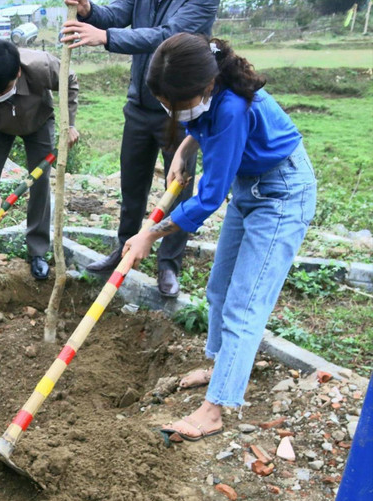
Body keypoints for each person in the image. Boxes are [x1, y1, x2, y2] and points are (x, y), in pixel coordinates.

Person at [122, 33, 316, 442]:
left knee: (245, 304)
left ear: (205, 87)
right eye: (167, 105)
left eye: (179, 104)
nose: (175, 112)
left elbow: (209, 198)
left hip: (282, 195)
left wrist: (149, 234)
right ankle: (220, 366)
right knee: (219, 288)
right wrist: (184, 149)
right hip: (251, 187)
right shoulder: (212, 86)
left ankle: (215, 409)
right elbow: (199, 121)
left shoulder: (231, 107)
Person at [60, 0, 218, 297]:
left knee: (178, 188)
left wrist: (106, 37)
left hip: (180, 107)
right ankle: (124, 249)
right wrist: (88, 10)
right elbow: (118, 14)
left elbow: (166, 36)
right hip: (140, 105)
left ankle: (168, 263)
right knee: (132, 184)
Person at [0, 39, 79, 281]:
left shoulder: (41, 66)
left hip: (38, 121)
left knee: (40, 181)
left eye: (1, 91)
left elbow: (70, 80)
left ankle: (37, 250)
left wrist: (69, 124)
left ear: (17, 73)